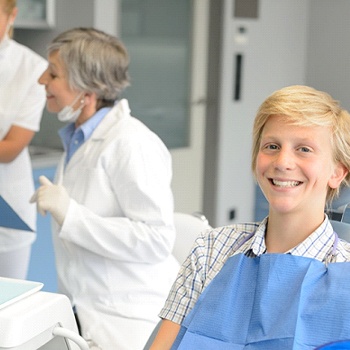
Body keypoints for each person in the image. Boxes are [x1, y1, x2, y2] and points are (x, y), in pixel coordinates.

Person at [150, 85, 350, 349]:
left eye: (304, 149)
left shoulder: (344, 273)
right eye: (272, 146)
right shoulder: (210, 250)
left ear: (337, 173)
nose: (282, 161)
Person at [30, 27, 180, 350]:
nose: (43, 80)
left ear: (87, 89)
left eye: (53, 73)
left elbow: (156, 239)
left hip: (129, 320)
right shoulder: (78, 139)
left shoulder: (131, 143)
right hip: (86, 312)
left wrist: (71, 214)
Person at [0, 0, 47, 279]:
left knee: (7, 309)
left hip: (7, 209)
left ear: (12, 15)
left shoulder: (32, 68)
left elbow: (11, 149)